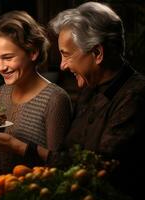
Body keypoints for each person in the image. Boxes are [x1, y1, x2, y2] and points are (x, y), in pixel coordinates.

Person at [49, 2, 145, 199]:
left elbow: (102, 173)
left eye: (66, 55)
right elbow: (68, 153)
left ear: (97, 53)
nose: (62, 65)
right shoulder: (89, 89)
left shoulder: (136, 96)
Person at [0, 10, 72, 173]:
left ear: (33, 52)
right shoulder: (0, 94)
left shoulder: (55, 99)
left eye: (8, 57)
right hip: (1, 188)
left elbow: (60, 165)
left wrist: (16, 146)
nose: (0, 67)